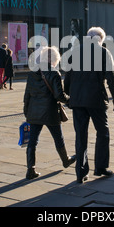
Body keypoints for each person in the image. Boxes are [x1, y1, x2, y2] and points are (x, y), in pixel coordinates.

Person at [64, 27, 114, 184]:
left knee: (80, 136)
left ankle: (81, 173)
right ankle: (101, 167)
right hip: (96, 100)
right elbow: (112, 78)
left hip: (77, 101)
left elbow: (67, 77)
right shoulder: (104, 52)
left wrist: (67, 97)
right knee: (103, 132)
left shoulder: (74, 52)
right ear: (100, 39)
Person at [23, 46, 75, 179]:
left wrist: (27, 111)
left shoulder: (32, 72)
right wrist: (70, 99)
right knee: (58, 138)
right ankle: (65, 160)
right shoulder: (53, 73)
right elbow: (59, 95)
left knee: (32, 141)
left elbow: (27, 95)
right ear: (53, 59)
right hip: (50, 111)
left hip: (34, 111)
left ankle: (30, 169)